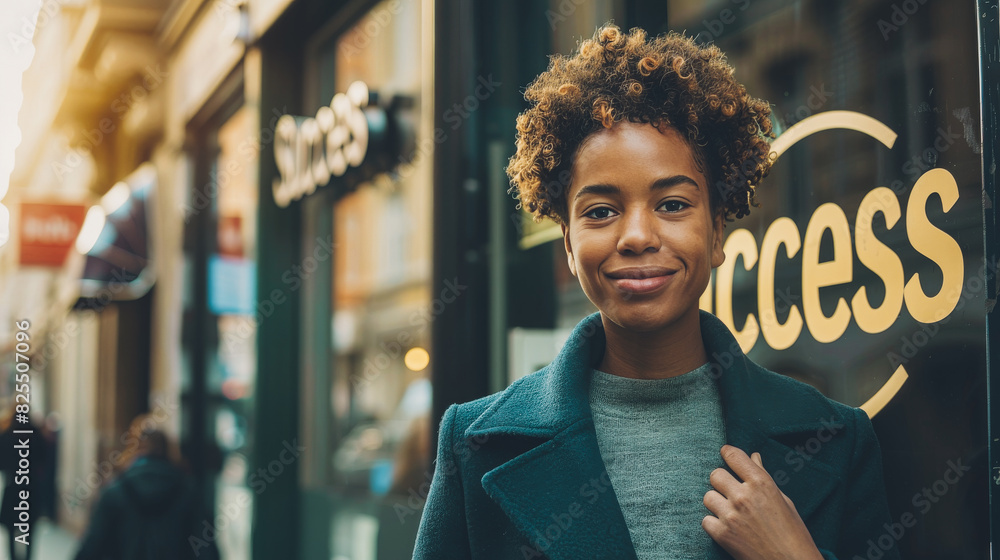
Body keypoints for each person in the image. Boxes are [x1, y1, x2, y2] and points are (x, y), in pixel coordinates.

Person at [412, 24, 900, 560]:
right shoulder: (477, 444)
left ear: (716, 235)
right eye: (600, 212)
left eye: (672, 204)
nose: (639, 236)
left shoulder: (837, 439)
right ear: (569, 248)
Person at [72, 424, 220, 560]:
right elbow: (206, 550)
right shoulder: (189, 493)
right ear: (168, 451)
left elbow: (91, 549)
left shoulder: (114, 493)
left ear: (132, 451)